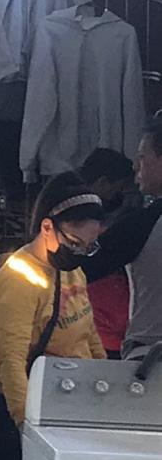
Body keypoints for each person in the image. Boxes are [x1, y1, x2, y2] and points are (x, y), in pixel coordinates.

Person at [0, 173, 106, 425]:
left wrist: (104, 380)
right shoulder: (18, 279)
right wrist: (27, 426)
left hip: (77, 399)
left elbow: (89, 334)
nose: (80, 253)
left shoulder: (72, 270)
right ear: (46, 227)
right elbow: (11, 361)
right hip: (43, 406)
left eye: (90, 247)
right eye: (75, 244)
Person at [83, 118, 162, 360]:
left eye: (142, 159)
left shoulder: (146, 223)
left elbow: (84, 268)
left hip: (151, 354)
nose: (137, 170)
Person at [79, 148, 137, 356]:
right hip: (104, 332)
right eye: (118, 189)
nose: (118, 197)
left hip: (99, 330)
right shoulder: (102, 235)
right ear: (102, 183)